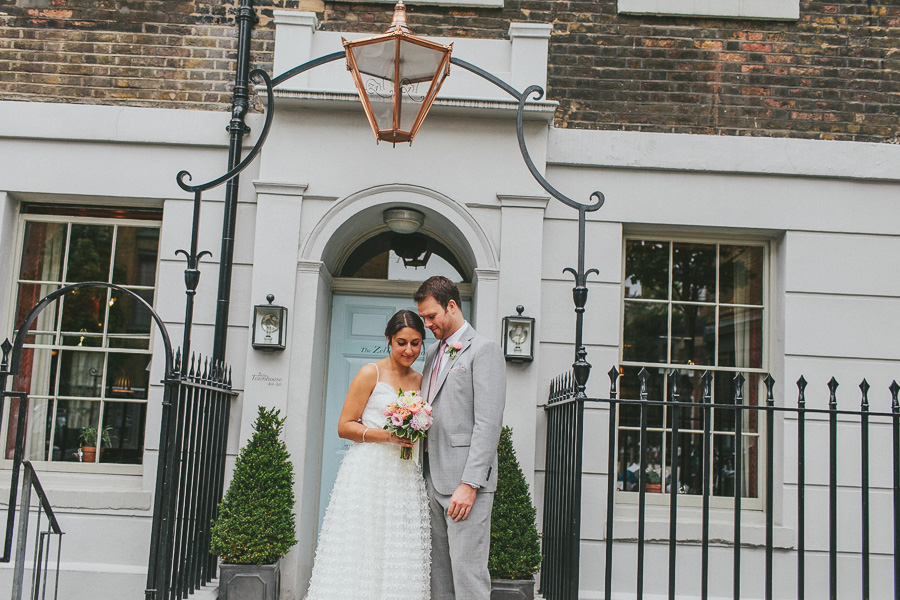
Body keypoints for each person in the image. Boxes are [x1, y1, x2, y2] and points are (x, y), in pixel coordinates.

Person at [305, 309, 431, 600]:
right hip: (368, 471)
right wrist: (389, 436)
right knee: (363, 544)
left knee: (399, 546)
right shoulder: (370, 373)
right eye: (402, 342)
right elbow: (344, 426)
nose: (409, 350)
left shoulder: (421, 380)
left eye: (415, 343)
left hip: (405, 475)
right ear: (389, 339)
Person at [415, 276, 507, 600]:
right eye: (424, 318)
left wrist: (470, 485)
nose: (427, 324)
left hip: (466, 487)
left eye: (431, 316)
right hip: (431, 480)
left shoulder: (484, 350)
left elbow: (488, 423)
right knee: (439, 578)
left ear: (451, 306)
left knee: (468, 576)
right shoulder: (430, 354)